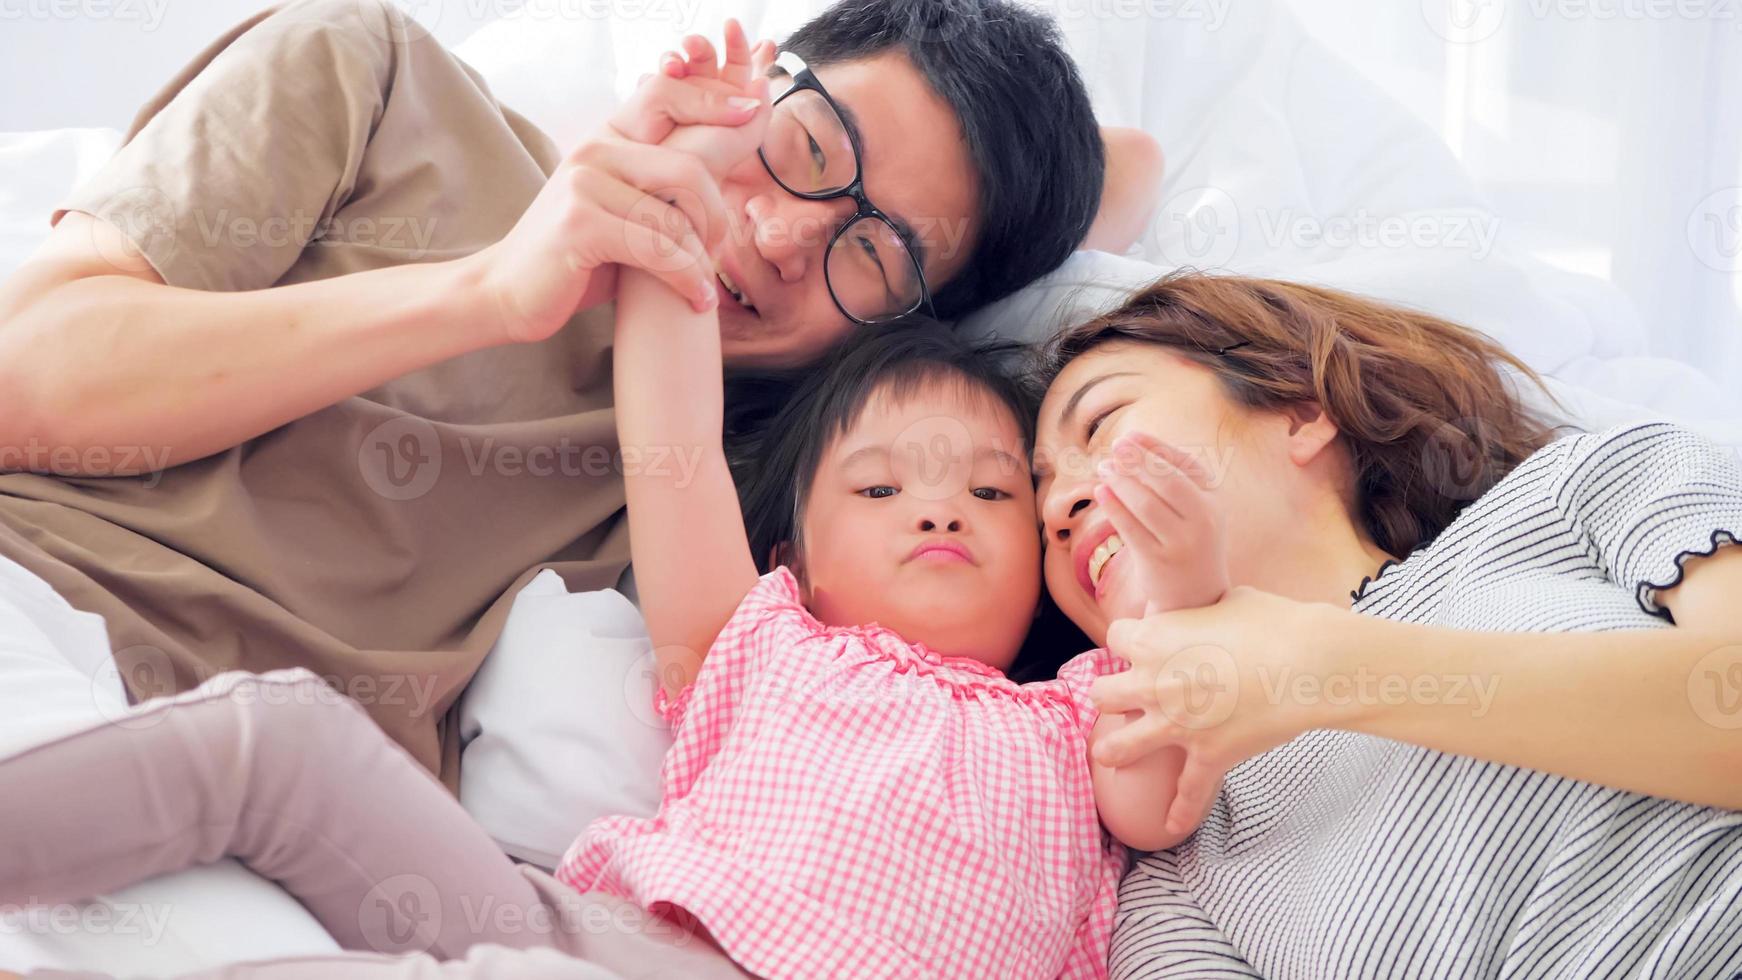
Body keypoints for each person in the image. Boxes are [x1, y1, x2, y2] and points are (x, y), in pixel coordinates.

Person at [0, 0, 1158, 786]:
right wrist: (490, 292)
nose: (785, 233)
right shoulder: (377, 79)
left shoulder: (752, 486)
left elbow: (1135, 166)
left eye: (879, 252)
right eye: (809, 146)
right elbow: (26, 377)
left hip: (228, 807)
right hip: (32, 613)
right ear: (754, 82)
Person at [1029, 271, 1742, 978]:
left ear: (1299, 413)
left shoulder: (1578, 489)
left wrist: (1323, 670)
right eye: (1038, 504)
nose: (1059, 504)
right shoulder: (1178, 874)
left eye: (1100, 424)